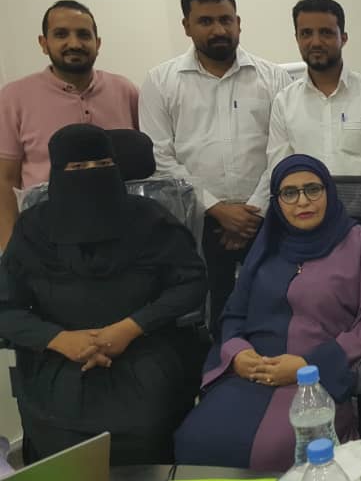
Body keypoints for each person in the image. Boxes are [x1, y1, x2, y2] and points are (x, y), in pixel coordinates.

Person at [174, 154, 361, 472]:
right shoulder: (267, 245)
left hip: (319, 380)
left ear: (328, 192)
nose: (302, 201)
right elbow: (234, 314)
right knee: (193, 438)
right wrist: (237, 354)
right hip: (253, 373)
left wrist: (307, 365)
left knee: (273, 451)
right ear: (276, 201)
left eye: (313, 189)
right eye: (289, 193)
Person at [0, 124, 206, 465]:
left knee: (148, 422)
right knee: (60, 436)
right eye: (78, 167)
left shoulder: (150, 220)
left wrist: (129, 328)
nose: (91, 175)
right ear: (57, 174)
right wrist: (59, 340)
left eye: (102, 165)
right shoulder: (33, 229)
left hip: (143, 346)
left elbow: (191, 283)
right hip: (60, 357)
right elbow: (6, 307)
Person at [140, 0, 292, 335]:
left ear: (239, 22)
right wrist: (217, 208)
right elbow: (159, 157)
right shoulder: (160, 81)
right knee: (209, 315)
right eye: (206, 21)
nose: (219, 29)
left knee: (276, 308)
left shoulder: (274, 78)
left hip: (266, 216)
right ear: (186, 26)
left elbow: (284, 149)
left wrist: (253, 210)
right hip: (196, 221)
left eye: (226, 19)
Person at [0, 0, 139, 250]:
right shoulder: (13, 98)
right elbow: (5, 179)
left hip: (123, 237)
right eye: (61, 34)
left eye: (83, 35)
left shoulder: (125, 91)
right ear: (44, 43)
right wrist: (9, 250)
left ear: (98, 43)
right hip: (47, 241)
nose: (74, 43)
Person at [266, 0, 361, 178]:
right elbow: (281, 172)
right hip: (305, 198)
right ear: (297, 38)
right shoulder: (284, 103)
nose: (316, 42)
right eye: (306, 33)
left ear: (343, 38)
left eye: (326, 33)